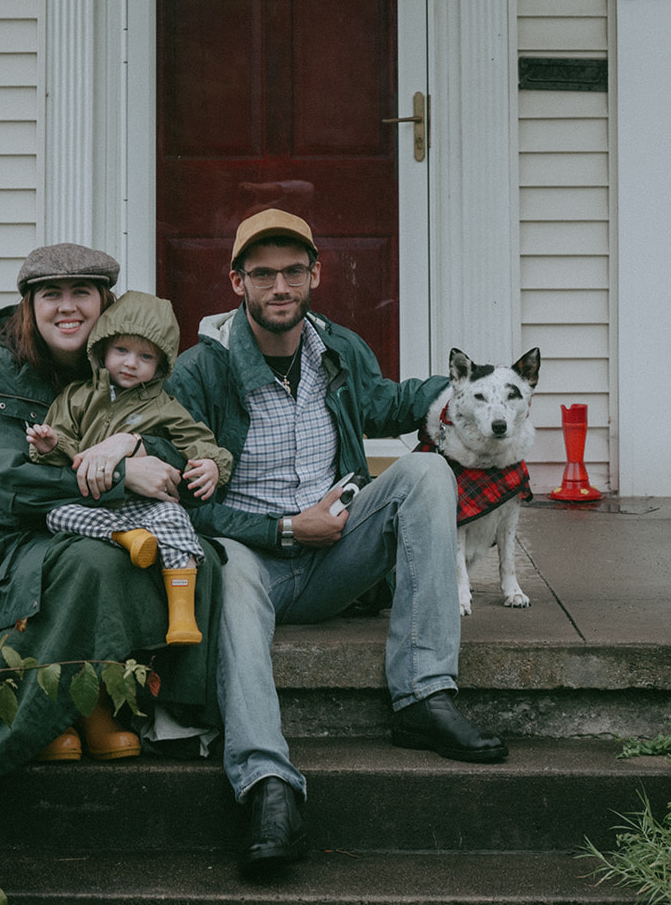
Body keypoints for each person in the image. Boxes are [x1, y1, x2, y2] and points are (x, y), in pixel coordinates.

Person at [166, 209, 508, 872]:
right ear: (236, 282)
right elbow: (185, 511)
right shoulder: (199, 374)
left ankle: (424, 696)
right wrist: (287, 527)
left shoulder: (339, 350)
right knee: (231, 567)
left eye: (293, 271)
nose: (280, 287)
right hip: (249, 566)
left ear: (316, 273)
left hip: (335, 562)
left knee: (427, 472)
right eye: (262, 274)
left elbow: (386, 404)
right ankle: (269, 785)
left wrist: (462, 393)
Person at [0, 244, 223, 778]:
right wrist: (123, 478)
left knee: (198, 557)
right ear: (28, 306)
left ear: (104, 303)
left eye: (81, 293)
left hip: (115, 523)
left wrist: (134, 443)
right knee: (93, 564)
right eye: (50, 294)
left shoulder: (135, 364)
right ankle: (61, 708)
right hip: (16, 539)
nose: (67, 307)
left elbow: (182, 449)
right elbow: (10, 483)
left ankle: (163, 710)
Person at [26, 290, 233, 645]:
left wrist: (213, 464)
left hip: (143, 503)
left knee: (176, 521)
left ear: (161, 364)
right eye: (121, 350)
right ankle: (126, 539)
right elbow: (66, 444)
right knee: (56, 516)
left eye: (145, 356)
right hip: (92, 502)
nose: (131, 363)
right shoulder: (78, 396)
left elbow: (197, 440)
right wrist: (51, 444)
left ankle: (181, 612)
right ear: (103, 349)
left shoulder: (164, 406)